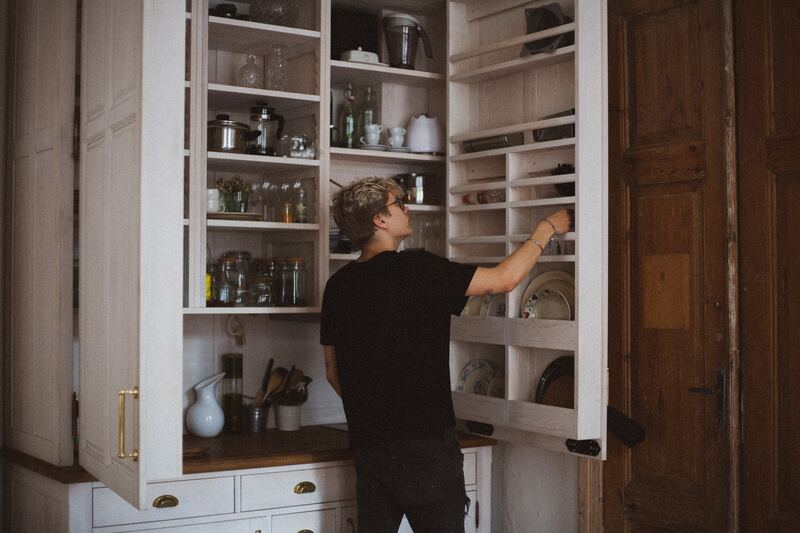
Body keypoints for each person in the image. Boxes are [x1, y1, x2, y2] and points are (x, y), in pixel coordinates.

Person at [321, 177, 572, 533]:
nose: (407, 208)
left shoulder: (338, 285)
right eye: (399, 203)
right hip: (426, 448)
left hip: (369, 447)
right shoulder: (417, 269)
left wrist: (377, 411)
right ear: (379, 219)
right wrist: (547, 227)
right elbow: (504, 279)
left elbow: (333, 371)